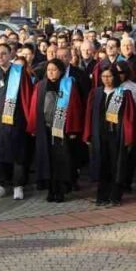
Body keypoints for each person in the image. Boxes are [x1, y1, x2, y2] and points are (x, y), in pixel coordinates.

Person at [28, 58, 85, 203]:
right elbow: (34, 108)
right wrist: (33, 127)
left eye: (54, 70)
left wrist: (73, 129)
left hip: (62, 130)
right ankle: (50, 190)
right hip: (45, 129)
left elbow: (75, 108)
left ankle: (60, 190)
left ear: (60, 71)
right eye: (49, 70)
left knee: (61, 160)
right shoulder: (41, 86)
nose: (51, 72)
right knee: (47, 160)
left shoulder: (68, 85)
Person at [85, 64, 135, 207]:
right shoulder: (96, 93)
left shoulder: (123, 93)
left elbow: (129, 118)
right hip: (99, 136)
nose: (106, 79)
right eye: (103, 76)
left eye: (109, 76)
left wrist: (129, 138)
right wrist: (88, 134)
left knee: (116, 165)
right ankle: (102, 195)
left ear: (115, 77)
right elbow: (89, 115)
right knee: (102, 164)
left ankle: (115, 196)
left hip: (116, 136)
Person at [0, 44, 34, 200]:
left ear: (10, 54)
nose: (0, 56)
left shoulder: (20, 73)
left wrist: (30, 122)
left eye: (4, 53)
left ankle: (18, 186)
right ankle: (0, 185)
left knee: (18, 154)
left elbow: (27, 98)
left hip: (17, 121)